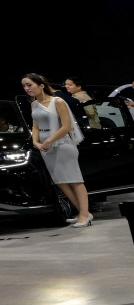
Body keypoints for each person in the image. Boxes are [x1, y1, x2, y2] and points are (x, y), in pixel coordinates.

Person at [21, 73, 92, 227]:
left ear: (41, 85)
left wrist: (49, 140)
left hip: (63, 145)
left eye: (29, 85)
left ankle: (84, 214)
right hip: (46, 148)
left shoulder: (57, 101)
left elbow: (67, 126)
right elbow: (35, 126)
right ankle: (83, 212)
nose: (26, 88)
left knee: (75, 180)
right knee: (61, 182)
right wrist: (36, 142)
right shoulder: (34, 104)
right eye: (24, 86)